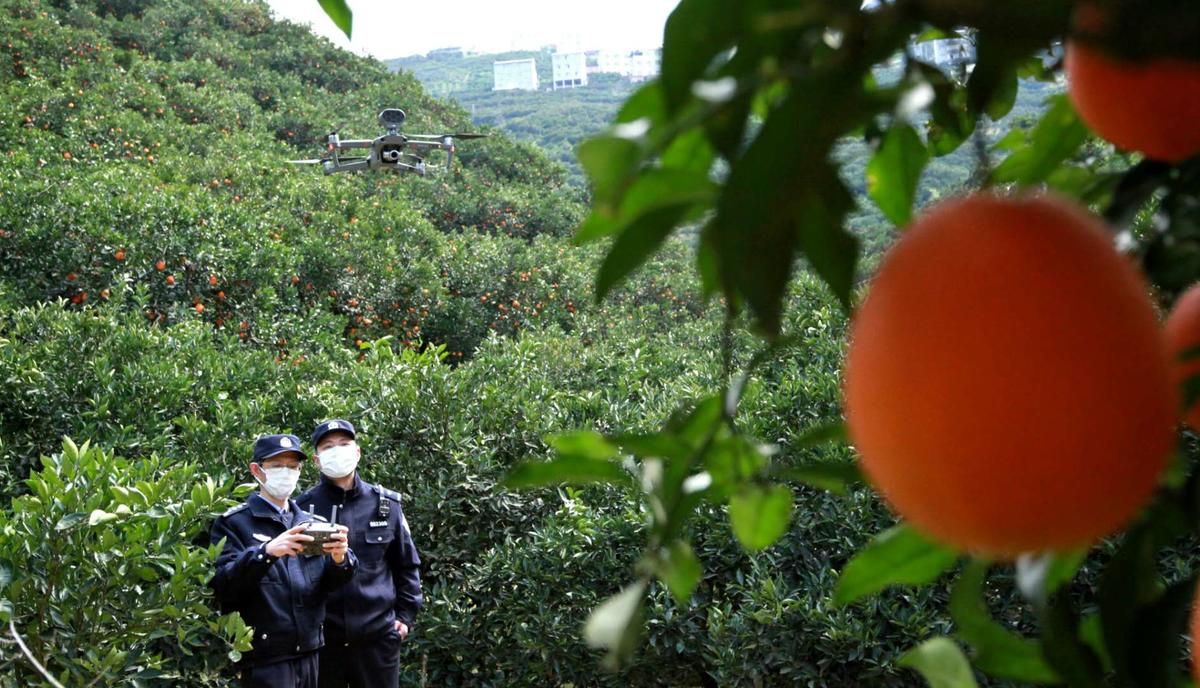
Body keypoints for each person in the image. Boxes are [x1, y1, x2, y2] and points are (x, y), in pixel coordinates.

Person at [210, 433, 357, 688]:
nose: (286, 472)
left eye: (292, 466)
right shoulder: (234, 523)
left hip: (311, 651)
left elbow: (332, 584)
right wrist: (265, 552)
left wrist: (340, 558)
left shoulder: (312, 524)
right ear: (256, 470)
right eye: (277, 465)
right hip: (265, 658)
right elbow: (224, 586)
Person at [297, 419, 423, 688]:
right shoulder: (301, 508)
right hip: (322, 642)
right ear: (317, 460)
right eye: (329, 447)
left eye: (344, 444)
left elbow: (407, 565)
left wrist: (405, 619)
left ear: (357, 452)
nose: (337, 450)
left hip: (377, 639)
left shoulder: (386, 504)